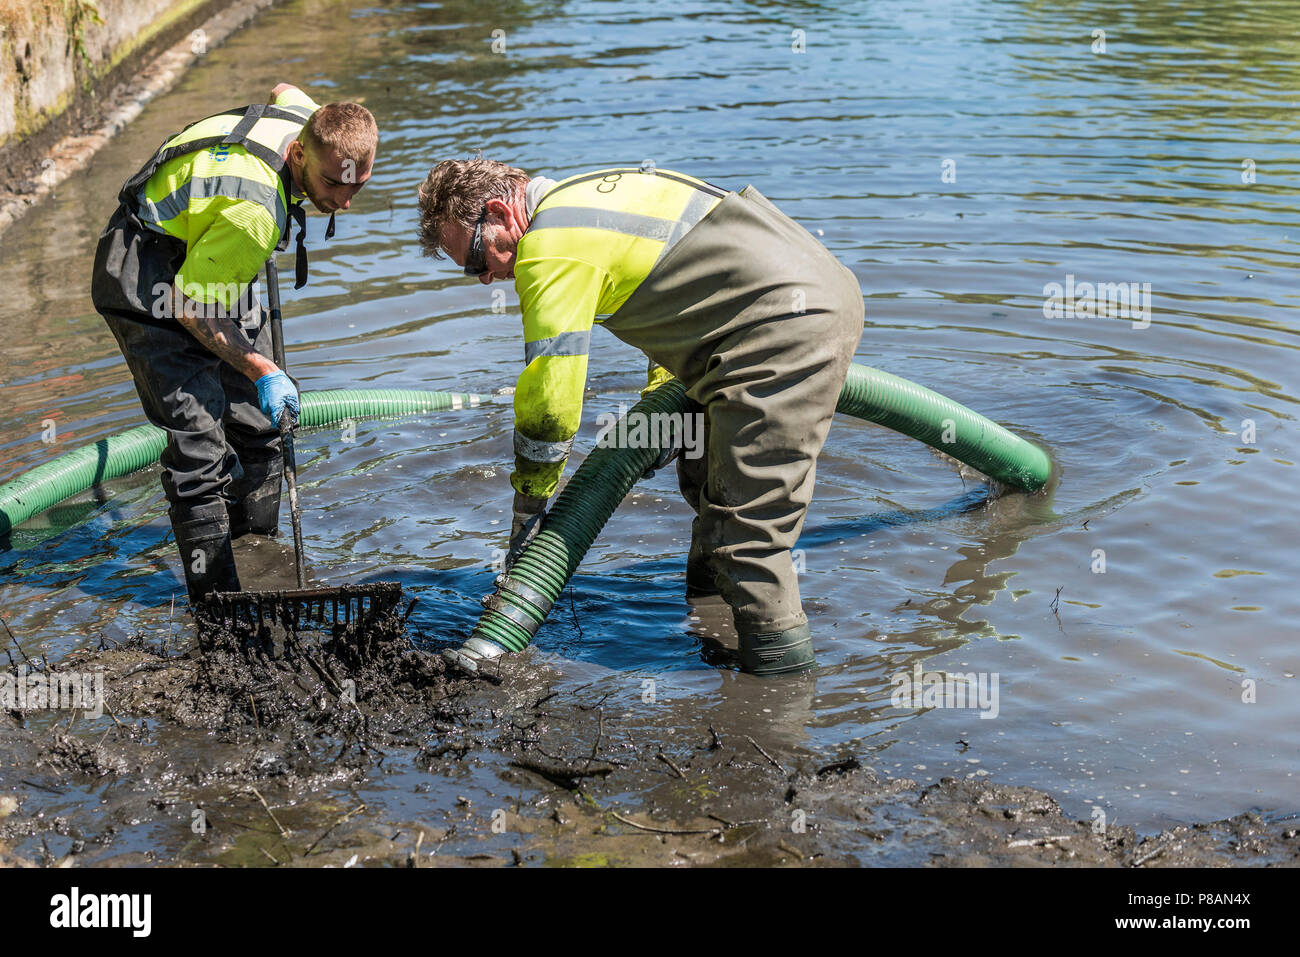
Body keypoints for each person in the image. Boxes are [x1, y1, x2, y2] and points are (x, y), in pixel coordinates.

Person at [416, 160, 863, 675]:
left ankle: (779, 706)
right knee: (708, 492)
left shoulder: (549, 246)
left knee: (748, 538)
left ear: (499, 210)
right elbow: (685, 287)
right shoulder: (591, 196)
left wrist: (529, 505)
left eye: (477, 259)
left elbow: (551, 406)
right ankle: (715, 647)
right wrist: (664, 397)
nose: (485, 278)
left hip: (780, 331)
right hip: (778, 310)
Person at [91, 84, 377, 602]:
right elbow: (187, 307)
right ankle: (220, 610)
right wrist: (261, 368)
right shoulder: (254, 216)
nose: (344, 202)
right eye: (332, 185)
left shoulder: (313, 120)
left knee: (260, 421)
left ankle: (258, 558)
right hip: (147, 273)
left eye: (357, 185)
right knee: (200, 448)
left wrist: (253, 373)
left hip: (209, 253)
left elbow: (283, 89)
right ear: (296, 154)